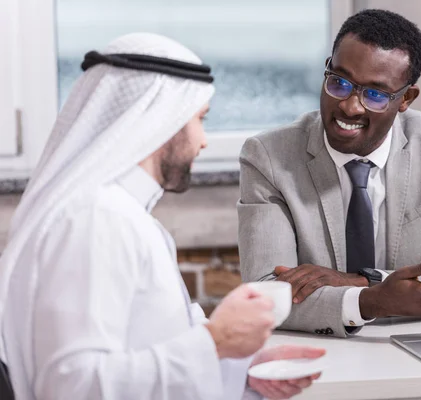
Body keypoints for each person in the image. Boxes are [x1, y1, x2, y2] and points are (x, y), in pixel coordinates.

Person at [0, 33, 323, 400]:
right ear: (160, 121)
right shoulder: (95, 219)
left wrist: (243, 367)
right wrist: (215, 341)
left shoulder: (123, 215)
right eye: (200, 119)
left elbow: (152, 343)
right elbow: (72, 385)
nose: (203, 140)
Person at [238, 9, 421, 338]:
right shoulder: (269, 157)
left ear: (406, 98)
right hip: (321, 355)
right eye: (339, 83)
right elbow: (265, 295)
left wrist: (364, 282)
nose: (349, 107)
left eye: (375, 94)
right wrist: (368, 302)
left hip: (415, 352)